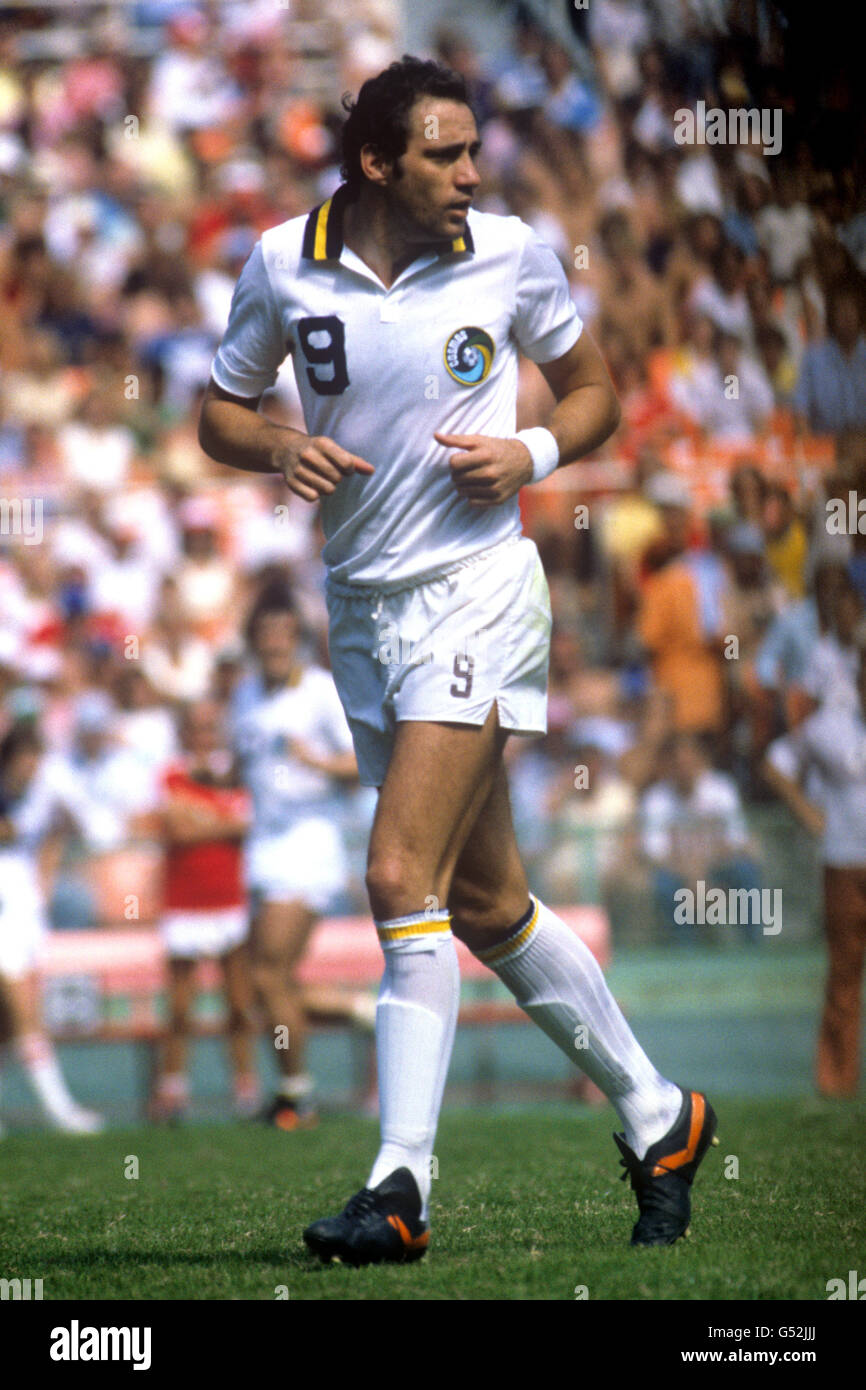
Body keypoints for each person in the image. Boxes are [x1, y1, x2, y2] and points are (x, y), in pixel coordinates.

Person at [199, 56, 717, 1262]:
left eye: (474, 149)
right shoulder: (280, 261)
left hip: (478, 595)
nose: (472, 173)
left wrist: (529, 452)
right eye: (446, 153)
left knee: (397, 873)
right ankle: (660, 1115)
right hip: (363, 613)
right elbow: (218, 412)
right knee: (482, 903)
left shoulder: (511, 254)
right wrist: (276, 446)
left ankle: (399, 1186)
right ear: (377, 162)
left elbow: (593, 392)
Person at [232, 585, 373, 1129]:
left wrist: (314, 761)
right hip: (262, 843)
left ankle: (297, 1095)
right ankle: (359, 1011)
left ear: (296, 639)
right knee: (264, 982)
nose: (273, 643)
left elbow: (360, 761)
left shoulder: (317, 691)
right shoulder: (245, 694)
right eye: (264, 634)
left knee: (268, 974)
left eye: (282, 634)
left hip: (308, 841)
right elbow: (245, 763)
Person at [762, 645, 866, 1096]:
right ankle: (836, 1081)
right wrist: (807, 812)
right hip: (845, 860)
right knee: (844, 973)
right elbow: (777, 764)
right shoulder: (828, 728)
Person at [150, 698, 258, 1122]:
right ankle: (173, 1088)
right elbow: (177, 827)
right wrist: (222, 821)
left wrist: (201, 818)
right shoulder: (171, 773)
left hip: (230, 899)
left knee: (238, 1004)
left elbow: (247, 825)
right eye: (196, 728)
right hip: (184, 901)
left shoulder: (236, 774)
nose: (203, 736)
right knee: (180, 1007)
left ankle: (245, 1087)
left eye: (210, 728)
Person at [0, 723, 104, 1135]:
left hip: (23, 912)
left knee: (7, 1019)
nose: (30, 767)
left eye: (35, 758)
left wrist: (46, 871)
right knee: (24, 1009)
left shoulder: (42, 795)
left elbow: (67, 830)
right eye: (24, 759)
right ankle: (60, 1109)